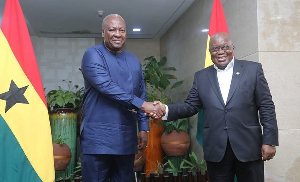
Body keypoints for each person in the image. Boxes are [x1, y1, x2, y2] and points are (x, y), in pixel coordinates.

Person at [152, 32, 278, 182]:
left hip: (248, 146)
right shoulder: (201, 77)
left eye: (225, 47)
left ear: (233, 47)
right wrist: (164, 109)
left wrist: (269, 141)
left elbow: (266, 106)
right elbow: (190, 106)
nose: (220, 52)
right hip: (216, 149)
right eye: (215, 49)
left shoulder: (253, 70)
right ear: (210, 52)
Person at [80, 14, 165, 182]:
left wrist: (143, 127)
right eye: (112, 30)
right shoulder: (92, 54)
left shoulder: (133, 60)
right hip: (98, 140)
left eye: (121, 30)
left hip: (126, 138)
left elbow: (141, 93)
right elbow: (107, 87)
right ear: (103, 33)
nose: (117, 34)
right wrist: (144, 105)